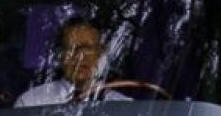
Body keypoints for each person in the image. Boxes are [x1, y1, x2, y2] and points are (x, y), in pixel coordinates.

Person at [16, 15, 161, 104]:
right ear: (61, 56)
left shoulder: (122, 107)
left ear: (100, 53)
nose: (80, 57)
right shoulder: (31, 103)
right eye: (71, 49)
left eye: (87, 49)